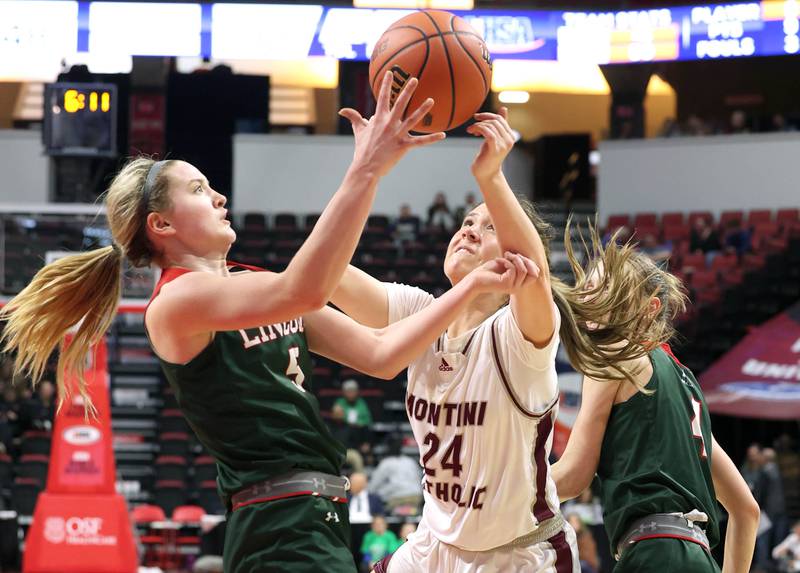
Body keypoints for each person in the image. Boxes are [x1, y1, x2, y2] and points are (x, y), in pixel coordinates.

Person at [0, 72, 537, 573]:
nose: (219, 196)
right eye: (198, 189)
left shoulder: (250, 282)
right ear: (161, 224)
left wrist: (468, 288)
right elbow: (304, 286)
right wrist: (367, 169)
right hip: (275, 521)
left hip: (320, 517)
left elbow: (382, 355)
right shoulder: (175, 303)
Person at [332, 107, 579, 572]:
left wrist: (490, 175)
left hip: (517, 553)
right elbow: (326, 275)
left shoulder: (518, 336)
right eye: (467, 221)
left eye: (490, 227)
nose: (469, 228)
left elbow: (535, 271)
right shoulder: (419, 312)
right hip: (433, 545)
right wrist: (362, 171)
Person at [550, 229, 760, 573]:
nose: (590, 296)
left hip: (653, 552)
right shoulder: (688, 389)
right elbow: (746, 510)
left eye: (606, 289)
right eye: (588, 288)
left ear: (650, 308)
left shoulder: (616, 352)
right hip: (697, 557)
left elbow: (574, 475)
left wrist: (502, 492)